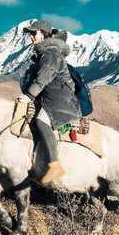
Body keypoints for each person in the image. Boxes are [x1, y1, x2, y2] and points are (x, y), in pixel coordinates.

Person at [14, 20, 81, 184]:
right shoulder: (47, 53)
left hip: (60, 101)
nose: (31, 37)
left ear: (44, 34)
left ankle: (54, 165)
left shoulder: (50, 54)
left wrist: (28, 96)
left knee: (41, 121)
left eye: (34, 33)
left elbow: (42, 79)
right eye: (30, 34)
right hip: (54, 98)